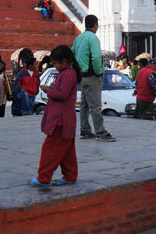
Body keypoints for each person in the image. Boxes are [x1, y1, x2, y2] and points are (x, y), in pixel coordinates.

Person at [31, 45, 81, 187]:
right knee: (67, 151)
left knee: (50, 150)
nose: (55, 66)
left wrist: (48, 90)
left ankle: (43, 177)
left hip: (61, 119)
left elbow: (62, 94)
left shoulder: (67, 74)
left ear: (64, 62)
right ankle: (70, 175)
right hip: (65, 118)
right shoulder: (68, 73)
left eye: (56, 63)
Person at [72, 15, 115, 141]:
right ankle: (100, 132)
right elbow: (96, 58)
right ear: (95, 25)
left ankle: (84, 130)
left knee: (84, 105)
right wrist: (98, 72)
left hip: (82, 76)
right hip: (92, 76)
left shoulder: (79, 38)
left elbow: (72, 54)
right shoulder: (93, 38)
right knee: (95, 106)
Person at [134, 55, 156, 120]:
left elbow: (137, 84)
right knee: (147, 120)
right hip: (147, 100)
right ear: (154, 65)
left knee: (139, 118)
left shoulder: (140, 71)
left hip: (139, 98)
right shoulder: (152, 73)